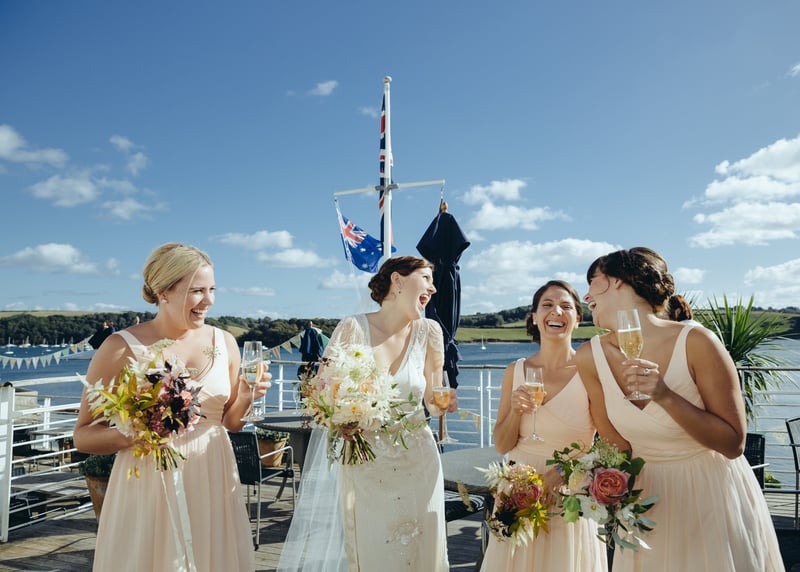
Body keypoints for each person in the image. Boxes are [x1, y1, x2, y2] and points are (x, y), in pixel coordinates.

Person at [576, 247, 784, 572]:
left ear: (618, 281)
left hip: (711, 495)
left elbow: (733, 444)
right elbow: (616, 445)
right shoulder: (589, 357)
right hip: (648, 503)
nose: (586, 296)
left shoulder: (698, 342)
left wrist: (665, 396)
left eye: (592, 281)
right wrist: (600, 489)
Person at [73, 242, 271, 572]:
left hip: (213, 476)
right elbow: (83, 436)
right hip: (150, 484)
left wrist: (248, 396)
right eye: (197, 291)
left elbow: (230, 422)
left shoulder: (225, 342)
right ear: (164, 292)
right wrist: (136, 432)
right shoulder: (120, 347)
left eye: (212, 289)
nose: (209, 300)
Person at [278, 255, 453, 571]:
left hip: (419, 459)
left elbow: (432, 399)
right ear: (397, 281)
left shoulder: (430, 332)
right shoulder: (352, 328)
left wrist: (444, 403)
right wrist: (341, 418)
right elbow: (321, 393)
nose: (433, 289)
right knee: (374, 549)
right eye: (426, 279)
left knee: (423, 549)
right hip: (366, 461)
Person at [480, 280, 613, 572]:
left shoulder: (590, 372)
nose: (557, 312)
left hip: (570, 495)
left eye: (566, 306)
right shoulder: (515, 371)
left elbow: (610, 444)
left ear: (578, 318)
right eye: (548, 305)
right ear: (535, 317)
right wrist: (515, 412)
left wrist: (564, 471)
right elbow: (502, 445)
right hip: (518, 493)